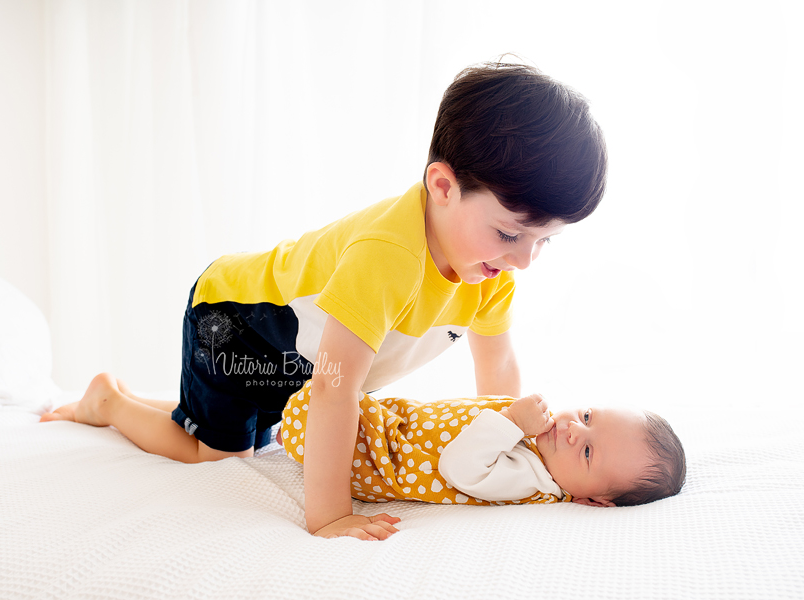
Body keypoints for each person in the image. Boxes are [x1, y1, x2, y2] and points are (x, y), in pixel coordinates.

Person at [40, 60, 609, 541]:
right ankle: (107, 401)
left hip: (308, 355)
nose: (525, 260)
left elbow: (498, 366)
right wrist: (330, 516)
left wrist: (516, 441)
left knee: (273, 435)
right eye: (512, 234)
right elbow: (338, 390)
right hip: (238, 320)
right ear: (442, 186)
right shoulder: (387, 258)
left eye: (545, 241)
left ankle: (140, 402)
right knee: (221, 454)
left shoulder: (491, 267)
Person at [280, 381, 686, 508]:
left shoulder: (533, 481)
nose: (573, 431)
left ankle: (285, 433)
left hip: (375, 456)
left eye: (586, 452)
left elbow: (461, 468)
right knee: (333, 390)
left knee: (316, 416)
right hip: (390, 424)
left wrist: (510, 421)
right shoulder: (542, 443)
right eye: (587, 417)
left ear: (593, 501)